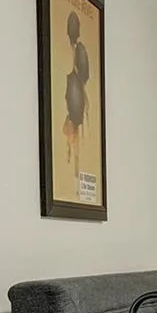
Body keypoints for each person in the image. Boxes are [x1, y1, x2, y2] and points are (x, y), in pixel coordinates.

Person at [62, 11, 91, 184]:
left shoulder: (78, 49)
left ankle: (74, 172)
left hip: (75, 98)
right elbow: (85, 74)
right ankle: (73, 171)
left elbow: (84, 74)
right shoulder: (76, 50)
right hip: (74, 98)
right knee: (73, 138)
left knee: (74, 138)